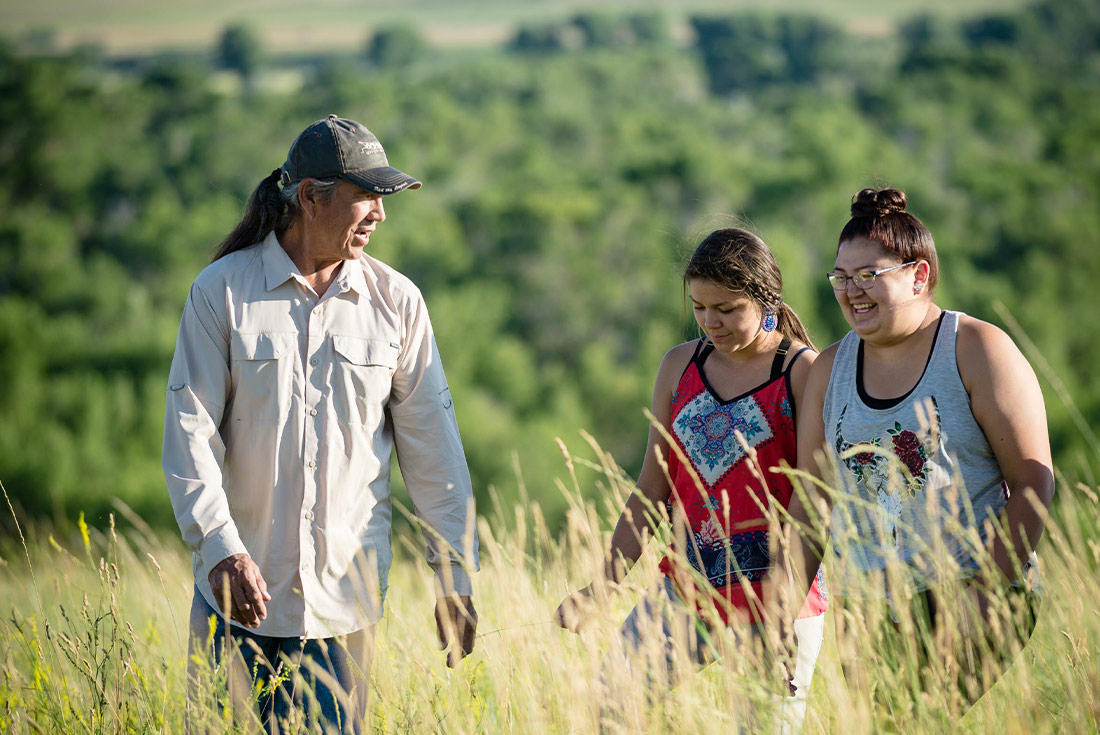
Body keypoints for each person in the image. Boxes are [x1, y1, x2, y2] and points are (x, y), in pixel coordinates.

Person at [162, 115, 480, 734]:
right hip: (234, 601)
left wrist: (454, 576)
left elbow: (434, 452)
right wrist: (221, 548)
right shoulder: (221, 292)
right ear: (310, 197)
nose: (380, 214)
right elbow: (189, 434)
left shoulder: (398, 303)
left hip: (343, 612)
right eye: (367, 196)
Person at [778, 186, 1054, 719]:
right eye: (842, 277)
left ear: (919, 275)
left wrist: (985, 594)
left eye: (869, 275)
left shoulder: (977, 349)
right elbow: (812, 503)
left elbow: (1032, 483)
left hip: (970, 587)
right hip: (868, 609)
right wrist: (781, 616)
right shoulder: (829, 369)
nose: (852, 291)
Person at [555, 228, 828, 733]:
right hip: (685, 589)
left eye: (726, 309)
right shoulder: (680, 366)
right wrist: (601, 588)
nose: (709, 321)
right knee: (608, 710)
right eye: (700, 307)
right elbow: (651, 489)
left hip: (777, 602)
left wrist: (782, 616)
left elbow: (813, 503)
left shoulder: (802, 371)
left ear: (766, 298)